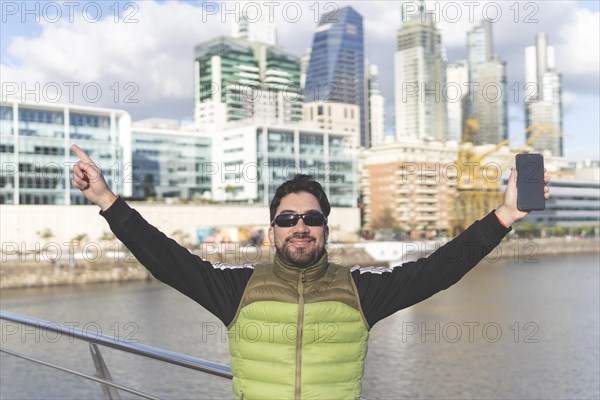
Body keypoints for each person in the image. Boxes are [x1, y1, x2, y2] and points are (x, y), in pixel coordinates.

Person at [71, 144, 550, 400]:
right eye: (288, 219)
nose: (300, 227)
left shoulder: (361, 291)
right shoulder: (236, 289)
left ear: (325, 226)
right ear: (273, 229)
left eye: (312, 218)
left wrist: (504, 216)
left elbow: (439, 271)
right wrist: (107, 202)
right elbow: (165, 259)